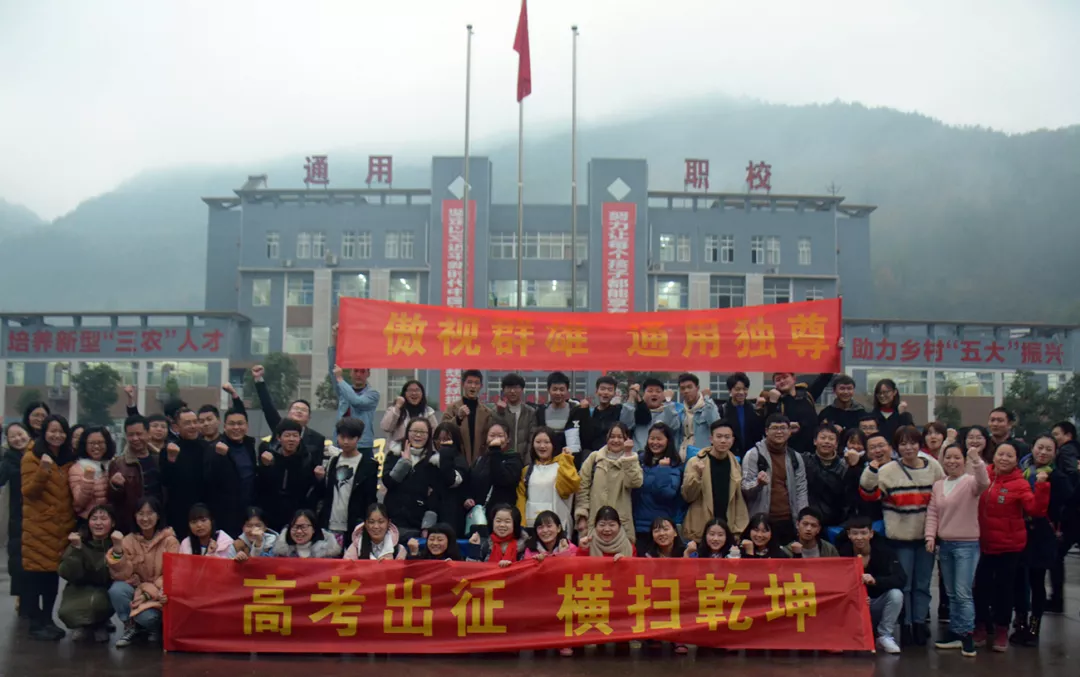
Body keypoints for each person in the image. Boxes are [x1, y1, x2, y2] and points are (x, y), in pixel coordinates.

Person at [860, 425, 944, 646]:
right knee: (904, 585)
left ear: (919, 444)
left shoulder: (933, 466)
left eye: (913, 442)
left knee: (923, 585)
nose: (909, 447)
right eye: (903, 443)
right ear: (896, 447)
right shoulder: (888, 470)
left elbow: (942, 497)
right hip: (900, 538)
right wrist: (872, 469)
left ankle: (919, 623)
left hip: (926, 537)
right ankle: (905, 625)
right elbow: (869, 494)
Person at [974, 443, 1049, 652]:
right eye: (1001, 454)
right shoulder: (983, 475)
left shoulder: (1020, 483)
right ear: (994, 456)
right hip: (982, 544)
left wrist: (1042, 487)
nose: (1004, 458)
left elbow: (1035, 509)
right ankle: (980, 626)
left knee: (1005, 591)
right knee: (980, 588)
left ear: (1017, 460)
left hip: (1009, 546)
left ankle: (1001, 629)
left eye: (1009, 455)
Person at [1010, 434, 1075, 647]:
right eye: (1040, 447)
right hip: (1019, 532)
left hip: (1042, 535)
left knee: (1037, 582)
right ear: (1033, 448)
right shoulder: (1021, 471)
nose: (1043, 452)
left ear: (1054, 453)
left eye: (1048, 449)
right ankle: (1019, 623)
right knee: (1019, 581)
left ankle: (1034, 626)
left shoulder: (1058, 477)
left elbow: (1069, 502)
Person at [926, 443, 988, 657]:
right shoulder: (939, 485)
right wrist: (930, 536)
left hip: (967, 545)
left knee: (963, 593)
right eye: (948, 457)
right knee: (951, 593)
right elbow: (933, 513)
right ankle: (956, 632)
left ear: (964, 460)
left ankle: (967, 635)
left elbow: (984, 481)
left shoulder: (970, 482)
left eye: (957, 457)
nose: (952, 461)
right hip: (946, 545)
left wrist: (976, 459)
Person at [21, 413, 76, 641]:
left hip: (60, 529)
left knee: (53, 578)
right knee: (36, 576)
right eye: (52, 431)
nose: (57, 435)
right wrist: (43, 470)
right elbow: (28, 492)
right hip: (39, 528)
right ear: (44, 432)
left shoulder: (67, 458)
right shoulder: (31, 457)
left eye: (61, 431)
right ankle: (35, 623)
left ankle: (47, 619)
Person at [108, 497, 179, 648]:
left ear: (158, 515)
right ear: (135, 516)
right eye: (141, 513)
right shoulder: (128, 540)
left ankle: (152, 628)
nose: (145, 518)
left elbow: (172, 575)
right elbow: (121, 574)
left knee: (149, 619)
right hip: (138, 593)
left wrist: (147, 594)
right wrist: (118, 550)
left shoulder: (170, 541)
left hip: (159, 594)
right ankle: (130, 627)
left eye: (150, 513)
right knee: (117, 589)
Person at [838, 516, 907, 654]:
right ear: (849, 535)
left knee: (896, 595)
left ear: (871, 533)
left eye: (863, 533)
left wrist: (876, 581)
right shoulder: (842, 553)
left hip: (876, 604)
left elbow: (901, 579)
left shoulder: (885, 552)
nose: (859, 537)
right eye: (855, 533)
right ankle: (846, 635)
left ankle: (884, 635)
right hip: (851, 607)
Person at [740, 414, 808, 545]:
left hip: (788, 520)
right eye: (775, 428)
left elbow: (801, 490)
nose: (779, 432)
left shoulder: (795, 457)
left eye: (783, 428)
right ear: (766, 431)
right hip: (762, 523)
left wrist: (802, 520)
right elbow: (745, 488)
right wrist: (758, 484)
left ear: (789, 431)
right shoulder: (754, 455)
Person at [313, 418, 379, 543]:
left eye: (351, 438)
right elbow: (325, 493)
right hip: (329, 523)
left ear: (358, 438)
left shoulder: (368, 464)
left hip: (354, 525)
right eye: (342, 437)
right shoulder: (333, 461)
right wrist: (320, 479)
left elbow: (370, 498)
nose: (346, 442)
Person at [682, 421, 750, 542]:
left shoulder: (735, 464)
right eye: (719, 437)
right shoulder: (695, 462)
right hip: (701, 528)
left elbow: (738, 500)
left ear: (733, 440)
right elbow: (688, 496)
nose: (723, 441)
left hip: (727, 528)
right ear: (711, 439)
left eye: (727, 437)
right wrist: (698, 475)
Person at [58, 504, 117, 642]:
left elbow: (102, 575)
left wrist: (83, 552)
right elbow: (66, 572)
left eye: (103, 519)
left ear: (113, 523)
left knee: (97, 603)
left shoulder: (116, 545)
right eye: (94, 519)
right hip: (78, 589)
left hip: (103, 589)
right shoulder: (79, 542)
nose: (98, 523)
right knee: (66, 612)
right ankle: (84, 626)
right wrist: (76, 550)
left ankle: (100, 623)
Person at [575, 423, 643, 543]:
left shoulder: (631, 460)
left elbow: (635, 482)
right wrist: (582, 516)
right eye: (612, 436)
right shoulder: (594, 458)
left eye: (620, 437)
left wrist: (628, 455)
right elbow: (582, 489)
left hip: (622, 526)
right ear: (607, 438)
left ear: (626, 439)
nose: (615, 440)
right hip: (595, 523)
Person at [251, 364, 326, 462]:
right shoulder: (279, 427)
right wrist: (258, 379)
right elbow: (267, 406)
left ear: (309, 418)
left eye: (303, 410)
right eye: (296, 408)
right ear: (289, 413)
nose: (299, 411)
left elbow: (317, 463)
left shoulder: (318, 439)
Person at [381, 418, 440, 539]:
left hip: (417, 524)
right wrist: (404, 463)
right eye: (414, 431)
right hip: (393, 521)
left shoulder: (434, 461)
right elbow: (388, 482)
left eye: (423, 432)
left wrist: (427, 526)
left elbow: (435, 496)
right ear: (407, 432)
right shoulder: (394, 454)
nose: (418, 435)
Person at [256, 419, 317, 533]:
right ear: (279, 438)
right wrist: (264, 466)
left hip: (297, 515)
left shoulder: (308, 459)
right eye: (287, 435)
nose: (291, 439)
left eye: (295, 435)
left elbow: (312, 489)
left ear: (300, 437)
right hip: (270, 513)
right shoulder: (270, 457)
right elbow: (261, 485)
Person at [107, 416, 166, 534]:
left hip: (160, 522)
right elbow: (112, 499)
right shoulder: (118, 463)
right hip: (131, 525)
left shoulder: (160, 459)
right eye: (130, 435)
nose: (135, 438)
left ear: (148, 434)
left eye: (139, 434)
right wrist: (115, 486)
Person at [205, 408, 258, 537]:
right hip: (225, 514)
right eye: (231, 424)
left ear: (247, 426)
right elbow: (208, 480)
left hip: (248, 512)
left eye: (240, 423)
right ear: (224, 426)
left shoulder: (249, 446)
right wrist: (219, 458)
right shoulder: (215, 448)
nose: (236, 427)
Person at [159, 408, 212, 539]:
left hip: (204, 510)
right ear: (176, 427)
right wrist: (171, 460)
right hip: (179, 512)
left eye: (195, 422)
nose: (193, 426)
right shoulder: (169, 450)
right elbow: (165, 482)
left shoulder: (208, 448)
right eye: (188, 423)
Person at [632, 423, 683, 552]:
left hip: (660, 528)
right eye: (652, 438)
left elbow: (666, 494)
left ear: (668, 441)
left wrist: (663, 470)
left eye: (659, 439)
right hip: (638, 527)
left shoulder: (674, 465)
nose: (655, 442)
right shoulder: (639, 460)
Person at [516, 427, 580, 529]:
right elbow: (521, 500)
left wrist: (567, 460)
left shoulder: (562, 466)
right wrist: (522, 524)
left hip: (559, 526)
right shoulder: (527, 471)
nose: (542, 446)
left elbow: (568, 489)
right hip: (532, 526)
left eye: (547, 442)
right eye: (538, 442)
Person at [2, 422, 32, 619]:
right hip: (18, 516)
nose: (18, 439)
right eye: (12, 436)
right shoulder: (8, 460)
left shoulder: (38, 454)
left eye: (20, 434)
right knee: (18, 558)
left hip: (38, 515)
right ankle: (22, 596)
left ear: (27, 434)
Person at [467, 423, 524, 529]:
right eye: (492, 435)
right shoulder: (481, 459)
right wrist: (468, 498)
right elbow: (472, 481)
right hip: (480, 516)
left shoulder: (514, 459)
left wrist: (495, 451)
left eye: (500, 436)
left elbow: (502, 479)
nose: (496, 439)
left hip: (502, 518)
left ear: (508, 439)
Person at [1049, 420, 1080, 614]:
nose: (1054, 438)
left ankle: (1057, 600)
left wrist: (1068, 498)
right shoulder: (1075, 449)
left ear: (1067, 435)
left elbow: (1072, 474)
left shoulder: (1067, 451)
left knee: (1056, 556)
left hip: (1072, 515)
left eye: (1056, 434)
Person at [764, 370, 834, 454]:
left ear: (794, 379)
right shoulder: (775, 402)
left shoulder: (807, 394)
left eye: (785, 377)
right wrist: (772, 402)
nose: (782, 381)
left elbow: (824, 378)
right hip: (789, 450)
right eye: (778, 380)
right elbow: (768, 426)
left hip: (813, 449)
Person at [443, 369, 492, 466]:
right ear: (463, 384)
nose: (473, 386)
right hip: (456, 461)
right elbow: (443, 431)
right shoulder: (452, 408)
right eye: (469, 382)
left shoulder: (487, 412)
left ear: (481, 386)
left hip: (479, 463)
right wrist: (458, 418)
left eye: (476, 383)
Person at [803, 425, 848, 528]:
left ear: (836, 444)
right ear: (815, 441)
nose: (827, 441)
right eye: (823, 438)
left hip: (837, 519)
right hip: (810, 517)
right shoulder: (805, 461)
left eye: (831, 439)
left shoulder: (844, 466)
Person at [69, 427, 116, 524]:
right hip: (88, 521)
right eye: (91, 443)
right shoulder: (77, 468)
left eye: (100, 442)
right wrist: (88, 479)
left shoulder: (113, 464)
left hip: (111, 521)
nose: (96, 446)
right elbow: (79, 502)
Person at [431, 422, 470, 537]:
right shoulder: (430, 459)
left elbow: (452, 480)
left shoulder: (459, 460)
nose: (443, 443)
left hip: (453, 516)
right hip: (433, 514)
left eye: (447, 440)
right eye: (440, 439)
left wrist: (445, 455)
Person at [572, 375, 623, 461]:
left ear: (614, 393)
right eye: (602, 389)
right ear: (596, 391)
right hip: (593, 458)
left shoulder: (619, 411)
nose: (606, 392)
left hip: (613, 457)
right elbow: (585, 438)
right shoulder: (590, 413)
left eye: (610, 390)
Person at [620, 378, 680, 452]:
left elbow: (674, 426)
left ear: (663, 395)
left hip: (662, 458)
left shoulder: (668, 411)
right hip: (638, 457)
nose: (654, 394)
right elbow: (624, 426)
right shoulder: (636, 412)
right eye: (650, 391)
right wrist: (631, 397)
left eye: (658, 391)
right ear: (643, 395)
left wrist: (668, 401)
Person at [716, 372, 765, 458]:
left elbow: (760, 433)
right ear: (730, 390)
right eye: (737, 389)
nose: (741, 392)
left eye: (745, 389)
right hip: (729, 455)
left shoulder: (754, 409)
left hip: (752, 456)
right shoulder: (722, 410)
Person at [380, 379, 439, 444]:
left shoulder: (428, 412)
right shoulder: (395, 409)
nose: (414, 393)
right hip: (397, 451)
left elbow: (435, 434)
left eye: (417, 390)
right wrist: (397, 406)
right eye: (410, 390)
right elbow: (386, 427)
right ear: (404, 393)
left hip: (422, 451)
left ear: (422, 394)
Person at [676, 373, 720, 459]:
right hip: (682, 456)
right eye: (682, 388)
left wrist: (707, 398)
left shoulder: (708, 407)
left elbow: (716, 425)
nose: (686, 391)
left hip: (702, 456)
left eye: (689, 387)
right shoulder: (679, 411)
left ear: (697, 388)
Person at [344, 503, 408, 560]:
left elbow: (403, 572)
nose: (376, 526)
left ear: (388, 523)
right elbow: (345, 570)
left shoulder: (399, 550)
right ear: (365, 524)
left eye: (381, 522)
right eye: (371, 522)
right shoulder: (355, 548)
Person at [272, 509, 342, 558]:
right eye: (295, 527)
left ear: (314, 529)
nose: (299, 531)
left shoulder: (327, 554)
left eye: (303, 527)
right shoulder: (281, 554)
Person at [534, 371, 578, 449]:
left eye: (562, 389)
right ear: (548, 390)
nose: (558, 393)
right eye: (554, 389)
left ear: (567, 390)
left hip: (569, 456)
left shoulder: (575, 411)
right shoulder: (541, 412)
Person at [870, 379, 914, 444]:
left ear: (894, 392)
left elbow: (910, 434)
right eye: (879, 393)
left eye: (885, 392)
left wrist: (902, 415)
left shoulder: (903, 414)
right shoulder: (872, 415)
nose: (882, 396)